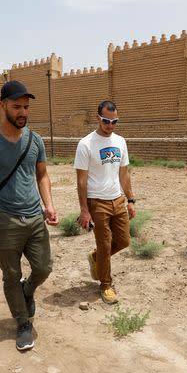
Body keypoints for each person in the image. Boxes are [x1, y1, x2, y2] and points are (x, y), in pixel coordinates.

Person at [0, 80, 59, 351]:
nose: (22, 112)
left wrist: (49, 205)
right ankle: (22, 322)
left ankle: (28, 290)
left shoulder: (35, 140)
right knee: (11, 275)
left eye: (26, 107)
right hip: (4, 219)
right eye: (16, 106)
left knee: (44, 267)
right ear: (3, 105)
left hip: (34, 217)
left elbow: (42, 175)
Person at [74, 100, 136, 304]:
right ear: (98, 118)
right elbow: (81, 181)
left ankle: (96, 258)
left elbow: (124, 174)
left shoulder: (120, 141)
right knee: (105, 243)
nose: (111, 125)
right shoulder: (86, 144)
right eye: (107, 121)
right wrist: (84, 210)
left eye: (115, 121)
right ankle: (105, 284)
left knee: (124, 240)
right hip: (97, 202)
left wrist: (131, 199)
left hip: (117, 199)